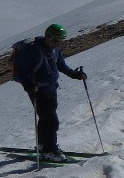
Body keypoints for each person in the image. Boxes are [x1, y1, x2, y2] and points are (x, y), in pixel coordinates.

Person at [11, 23, 86, 161]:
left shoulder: (54, 49)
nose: (58, 44)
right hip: (37, 90)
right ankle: (50, 150)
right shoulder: (33, 51)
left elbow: (60, 65)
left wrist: (75, 75)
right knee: (51, 121)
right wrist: (28, 85)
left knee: (45, 118)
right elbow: (21, 72)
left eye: (60, 41)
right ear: (48, 37)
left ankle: (42, 145)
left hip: (51, 89)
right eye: (56, 41)